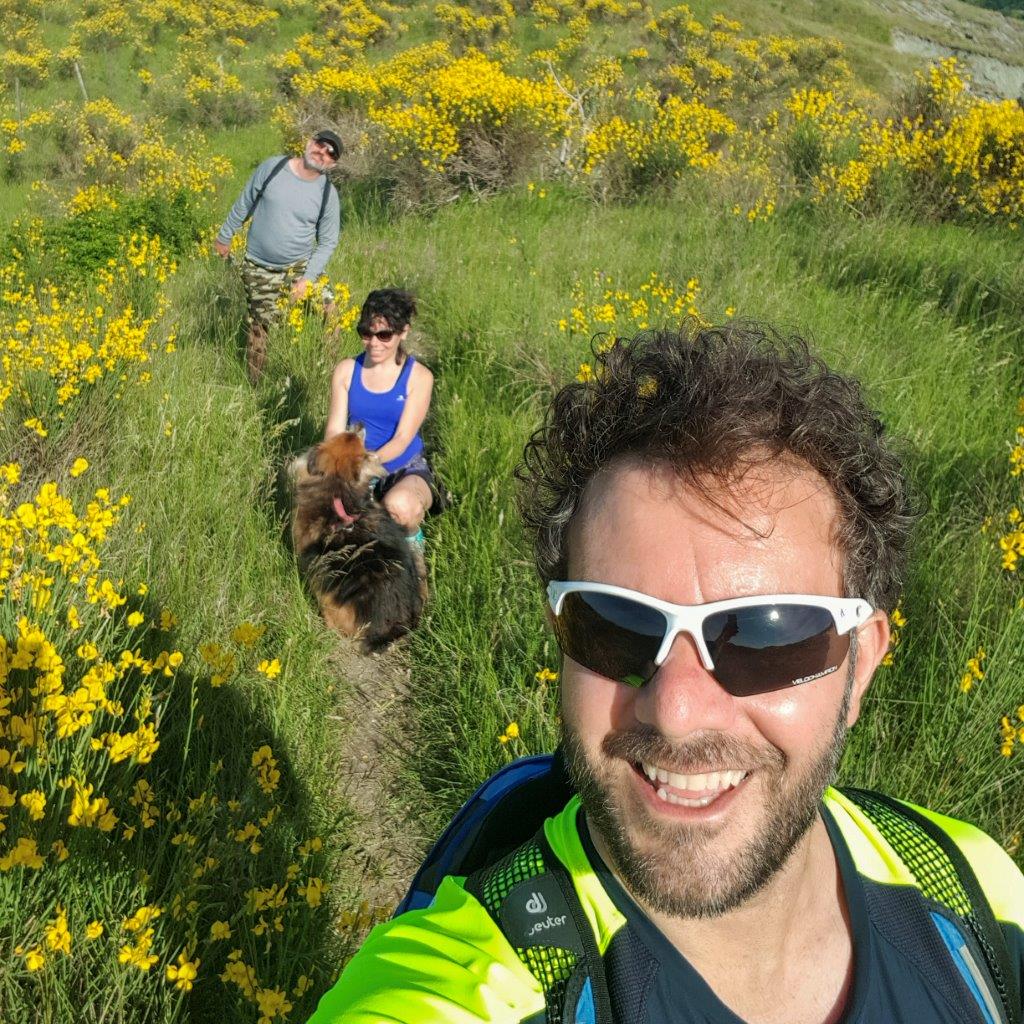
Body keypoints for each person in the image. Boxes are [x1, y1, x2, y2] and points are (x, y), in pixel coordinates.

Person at [309, 323, 1024, 1023]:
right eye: (616, 626)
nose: (676, 711)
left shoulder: (978, 890)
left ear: (860, 663)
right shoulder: (473, 984)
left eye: (767, 635)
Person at [214, 130, 343, 382]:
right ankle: (256, 389)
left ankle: (326, 378)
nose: (322, 153)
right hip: (260, 266)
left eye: (331, 153)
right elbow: (245, 201)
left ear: (333, 164)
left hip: (301, 266)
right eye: (320, 145)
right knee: (260, 328)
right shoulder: (273, 167)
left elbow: (327, 242)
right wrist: (225, 235)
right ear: (309, 143)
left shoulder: (328, 194)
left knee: (332, 312)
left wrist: (307, 279)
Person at [324, 289, 435, 546]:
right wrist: (341, 467)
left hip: (402, 467)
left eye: (384, 335)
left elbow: (403, 438)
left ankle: (413, 555)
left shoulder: (419, 377)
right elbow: (334, 431)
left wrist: (367, 466)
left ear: (403, 332)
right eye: (366, 333)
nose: (374, 343)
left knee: (400, 507)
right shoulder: (346, 371)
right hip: (354, 467)